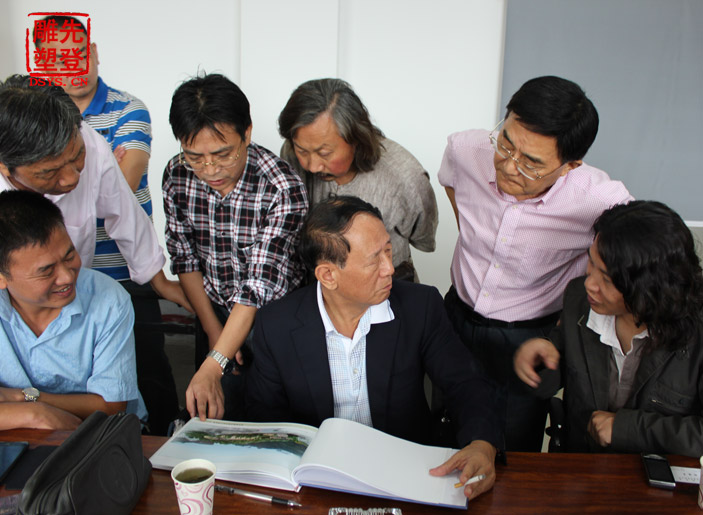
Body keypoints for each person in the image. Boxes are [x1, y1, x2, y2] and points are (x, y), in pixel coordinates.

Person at [247, 196, 502, 501]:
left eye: (388, 251)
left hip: (404, 476)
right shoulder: (276, 325)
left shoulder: (420, 307)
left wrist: (482, 443)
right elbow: (268, 423)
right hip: (318, 483)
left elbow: (465, 382)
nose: (389, 268)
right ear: (328, 275)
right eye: (374, 260)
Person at [437, 75, 633, 451]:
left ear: (571, 165)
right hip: (455, 317)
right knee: (442, 427)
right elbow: (451, 183)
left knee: (510, 448)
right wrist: (478, 241)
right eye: (506, 143)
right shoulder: (466, 149)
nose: (509, 167)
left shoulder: (599, 200)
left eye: (531, 163)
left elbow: (638, 252)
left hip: (528, 338)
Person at [34, 14, 178, 434]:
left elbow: (123, 189)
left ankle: (159, 437)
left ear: (94, 52)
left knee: (146, 368)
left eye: (79, 53)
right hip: (46, 283)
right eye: (59, 58)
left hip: (123, 269)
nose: (73, 65)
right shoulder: (29, 124)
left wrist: (159, 280)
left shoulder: (123, 112)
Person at [163, 73, 308, 421]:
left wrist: (216, 361)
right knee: (217, 415)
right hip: (212, 311)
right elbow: (185, 258)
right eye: (195, 156)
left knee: (272, 417)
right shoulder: (178, 174)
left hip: (274, 321)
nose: (210, 169)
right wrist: (214, 334)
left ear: (247, 133)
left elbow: (258, 285)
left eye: (223, 154)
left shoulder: (281, 188)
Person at [514, 201, 703, 457]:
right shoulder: (579, 300)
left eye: (607, 279)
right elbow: (557, 371)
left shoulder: (696, 329)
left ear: (651, 287)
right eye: (591, 263)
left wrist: (625, 429)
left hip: (659, 473)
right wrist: (539, 361)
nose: (589, 284)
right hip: (583, 465)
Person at [0, 190, 145, 431]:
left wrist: (27, 399)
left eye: (69, 256)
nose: (67, 277)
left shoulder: (107, 299)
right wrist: (32, 414)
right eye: (46, 271)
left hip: (98, 436)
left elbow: (110, 406)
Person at [278, 78, 437, 281]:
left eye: (324, 153)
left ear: (357, 138)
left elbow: (423, 236)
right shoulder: (290, 155)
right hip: (315, 286)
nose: (312, 166)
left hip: (386, 286)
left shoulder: (405, 175)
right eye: (302, 151)